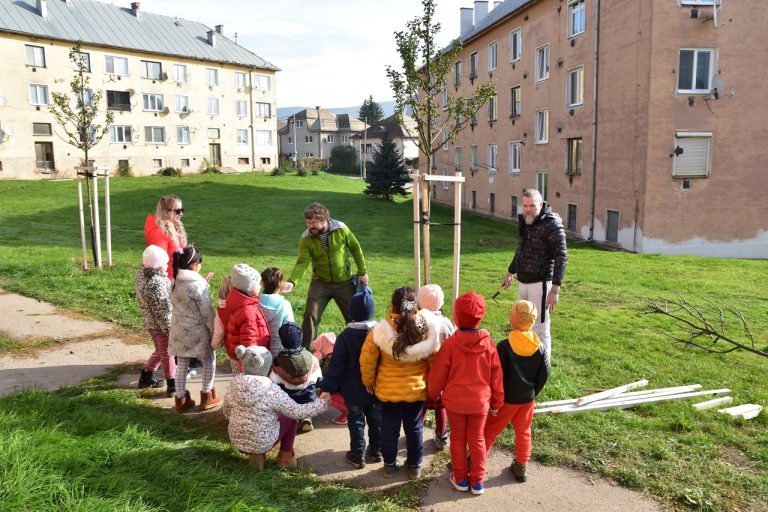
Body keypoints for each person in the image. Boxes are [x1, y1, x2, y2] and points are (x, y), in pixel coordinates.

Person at [359, 286, 440, 480]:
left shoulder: (380, 331)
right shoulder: (426, 329)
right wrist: (434, 386)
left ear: (393, 305)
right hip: (416, 391)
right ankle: (414, 466)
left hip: (388, 393)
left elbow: (367, 359)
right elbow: (434, 360)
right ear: (416, 305)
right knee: (414, 429)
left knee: (389, 428)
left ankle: (389, 466)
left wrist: (368, 381)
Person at [427, 291, 504, 496]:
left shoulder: (451, 344)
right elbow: (497, 376)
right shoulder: (489, 345)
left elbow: (438, 373)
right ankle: (477, 481)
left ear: (457, 316)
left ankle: (460, 478)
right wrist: (497, 403)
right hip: (480, 404)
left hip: (455, 404)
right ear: (481, 316)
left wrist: (433, 393)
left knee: (458, 439)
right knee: (477, 439)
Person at [222, 344, 329, 471]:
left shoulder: (234, 385)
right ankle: (286, 458)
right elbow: (297, 412)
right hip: (263, 442)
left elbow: (227, 412)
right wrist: (321, 403)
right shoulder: (271, 390)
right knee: (290, 418)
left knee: (267, 418)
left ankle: (258, 456)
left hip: (237, 440)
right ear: (266, 366)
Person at [282, 203, 368, 348]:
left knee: (355, 317)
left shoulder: (341, 229)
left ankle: (362, 349)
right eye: (308, 222)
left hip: (344, 282)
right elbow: (302, 261)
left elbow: (355, 247)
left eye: (314, 222)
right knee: (310, 315)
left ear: (325, 220)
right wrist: (292, 281)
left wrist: (362, 272)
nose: (310, 226)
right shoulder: (306, 238)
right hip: (320, 283)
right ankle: (305, 353)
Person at [483, 300, 550, 484]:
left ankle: (476, 461)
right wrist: (532, 392)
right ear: (533, 320)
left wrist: (494, 399)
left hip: (505, 399)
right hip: (526, 400)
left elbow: (496, 375)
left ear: (512, 318)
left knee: (490, 430)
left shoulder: (504, 346)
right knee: (524, 432)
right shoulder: (540, 347)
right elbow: (544, 373)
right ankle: (521, 466)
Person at [501, 189, 567, 356]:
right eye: (525, 206)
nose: (528, 209)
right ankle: (524, 359)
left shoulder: (552, 224)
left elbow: (561, 257)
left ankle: (543, 365)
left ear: (541, 204)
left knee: (540, 326)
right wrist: (510, 272)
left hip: (541, 283)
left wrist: (555, 289)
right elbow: (522, 249)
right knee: (521, 322)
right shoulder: (525, 221)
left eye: (532, 206)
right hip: (523, 282)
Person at [321, 289, 382, 469]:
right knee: (377, 420)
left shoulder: (345, 337)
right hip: (376, 388)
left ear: (351, 313)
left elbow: (336, 365)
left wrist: (328, 386)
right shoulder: (379, 333)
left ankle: (358, 455)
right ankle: (377, 451)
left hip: (353, 390)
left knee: (356, 421)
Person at [168, 245, 218, 413]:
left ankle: (181, 400)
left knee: (181, 364)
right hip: (198, 332)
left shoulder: (175, 281)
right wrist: (215, 331)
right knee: (209, 360)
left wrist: (203, 282)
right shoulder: (197, 285)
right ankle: (207, 395)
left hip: (178, 331)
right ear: (194, 264)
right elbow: (206, 311)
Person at [416, 284, 456, 450]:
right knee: (441, 407)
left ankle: (416, 432)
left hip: (421, 374)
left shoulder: (417, 323)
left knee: (421, 406)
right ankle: (442, 435)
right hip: (443, 375)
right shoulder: (446, 323)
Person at [134, 245, 175, 396]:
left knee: (160, 350)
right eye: (165, 264)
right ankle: (173, 384)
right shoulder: (157, 283)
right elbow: (163, 311)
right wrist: (169, 329)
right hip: (161, 325)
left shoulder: (142, 276)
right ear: (158, 266)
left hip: (150, 322)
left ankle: (146, 376)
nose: (167, 266)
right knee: (168, 353)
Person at [271, 322, 323, 438]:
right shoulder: (311, 358)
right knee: (307, 402)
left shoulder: (278, 360)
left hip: (288, 398)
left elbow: (273, 381)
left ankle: (288, 417)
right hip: (307, 397)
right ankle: (306, 417)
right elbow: (319, 379)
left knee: (285, 404)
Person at [222, 264, 271, 374]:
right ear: (248, 288)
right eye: (257, 284)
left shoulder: (243, 302)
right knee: (249, 387)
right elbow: (249, 338)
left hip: (242, 356)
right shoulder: (247, 310)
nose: (260, 287)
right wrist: (251, 361)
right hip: (250, 360)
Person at [144, 195, 187, 280]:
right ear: (166, 211)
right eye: (177, 211)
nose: (181, 214)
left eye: (182, 210)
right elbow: (158, 265)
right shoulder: (159, 232)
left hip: (176, 278)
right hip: (167, 282)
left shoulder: (174, 226)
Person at [312, 332, 349, 425]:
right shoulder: (339, 353)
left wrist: (326, 388)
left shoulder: (333, 360)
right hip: (349, 387)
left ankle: (348, 412)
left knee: (327, 396)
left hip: (344, 389)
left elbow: (334, 378)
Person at [259, 267, 295, 358]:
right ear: (281, 283)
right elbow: (289, 329)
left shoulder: (254, 302)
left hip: (256, 350)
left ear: (262, 283)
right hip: (278, 352)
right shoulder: (285, 304)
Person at [211, 275, 234, 371]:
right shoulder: (245, 307)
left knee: (237, 373)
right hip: (250, 345)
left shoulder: (221, 310)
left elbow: (219, 331)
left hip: (232, 347)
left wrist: (215, 345)